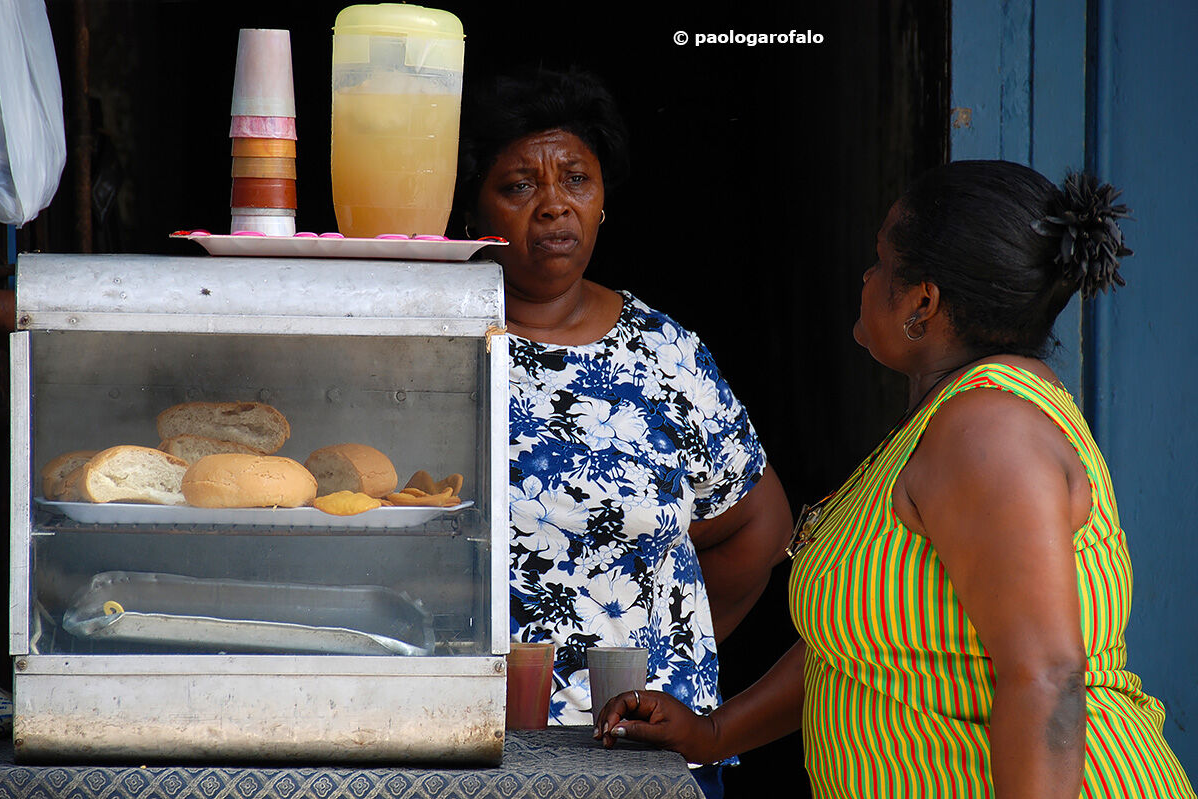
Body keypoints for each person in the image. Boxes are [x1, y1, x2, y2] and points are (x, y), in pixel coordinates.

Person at [595, 160, 1195, 798]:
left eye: (880, 262)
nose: (866, 277)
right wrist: (713, 735)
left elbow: (1045, 678)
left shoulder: (988, 434)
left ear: (922, 302)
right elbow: (864, 645)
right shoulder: (945, 422)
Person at [454, 67, 793, 793]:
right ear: (473, 207)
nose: (554, 208)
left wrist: (668, 640)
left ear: (604, 201)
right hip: (466, 744)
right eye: (519, 186)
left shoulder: (665, 353)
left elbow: (760, 526)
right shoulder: (436, 342)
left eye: (576, 179)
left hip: (644, 749)